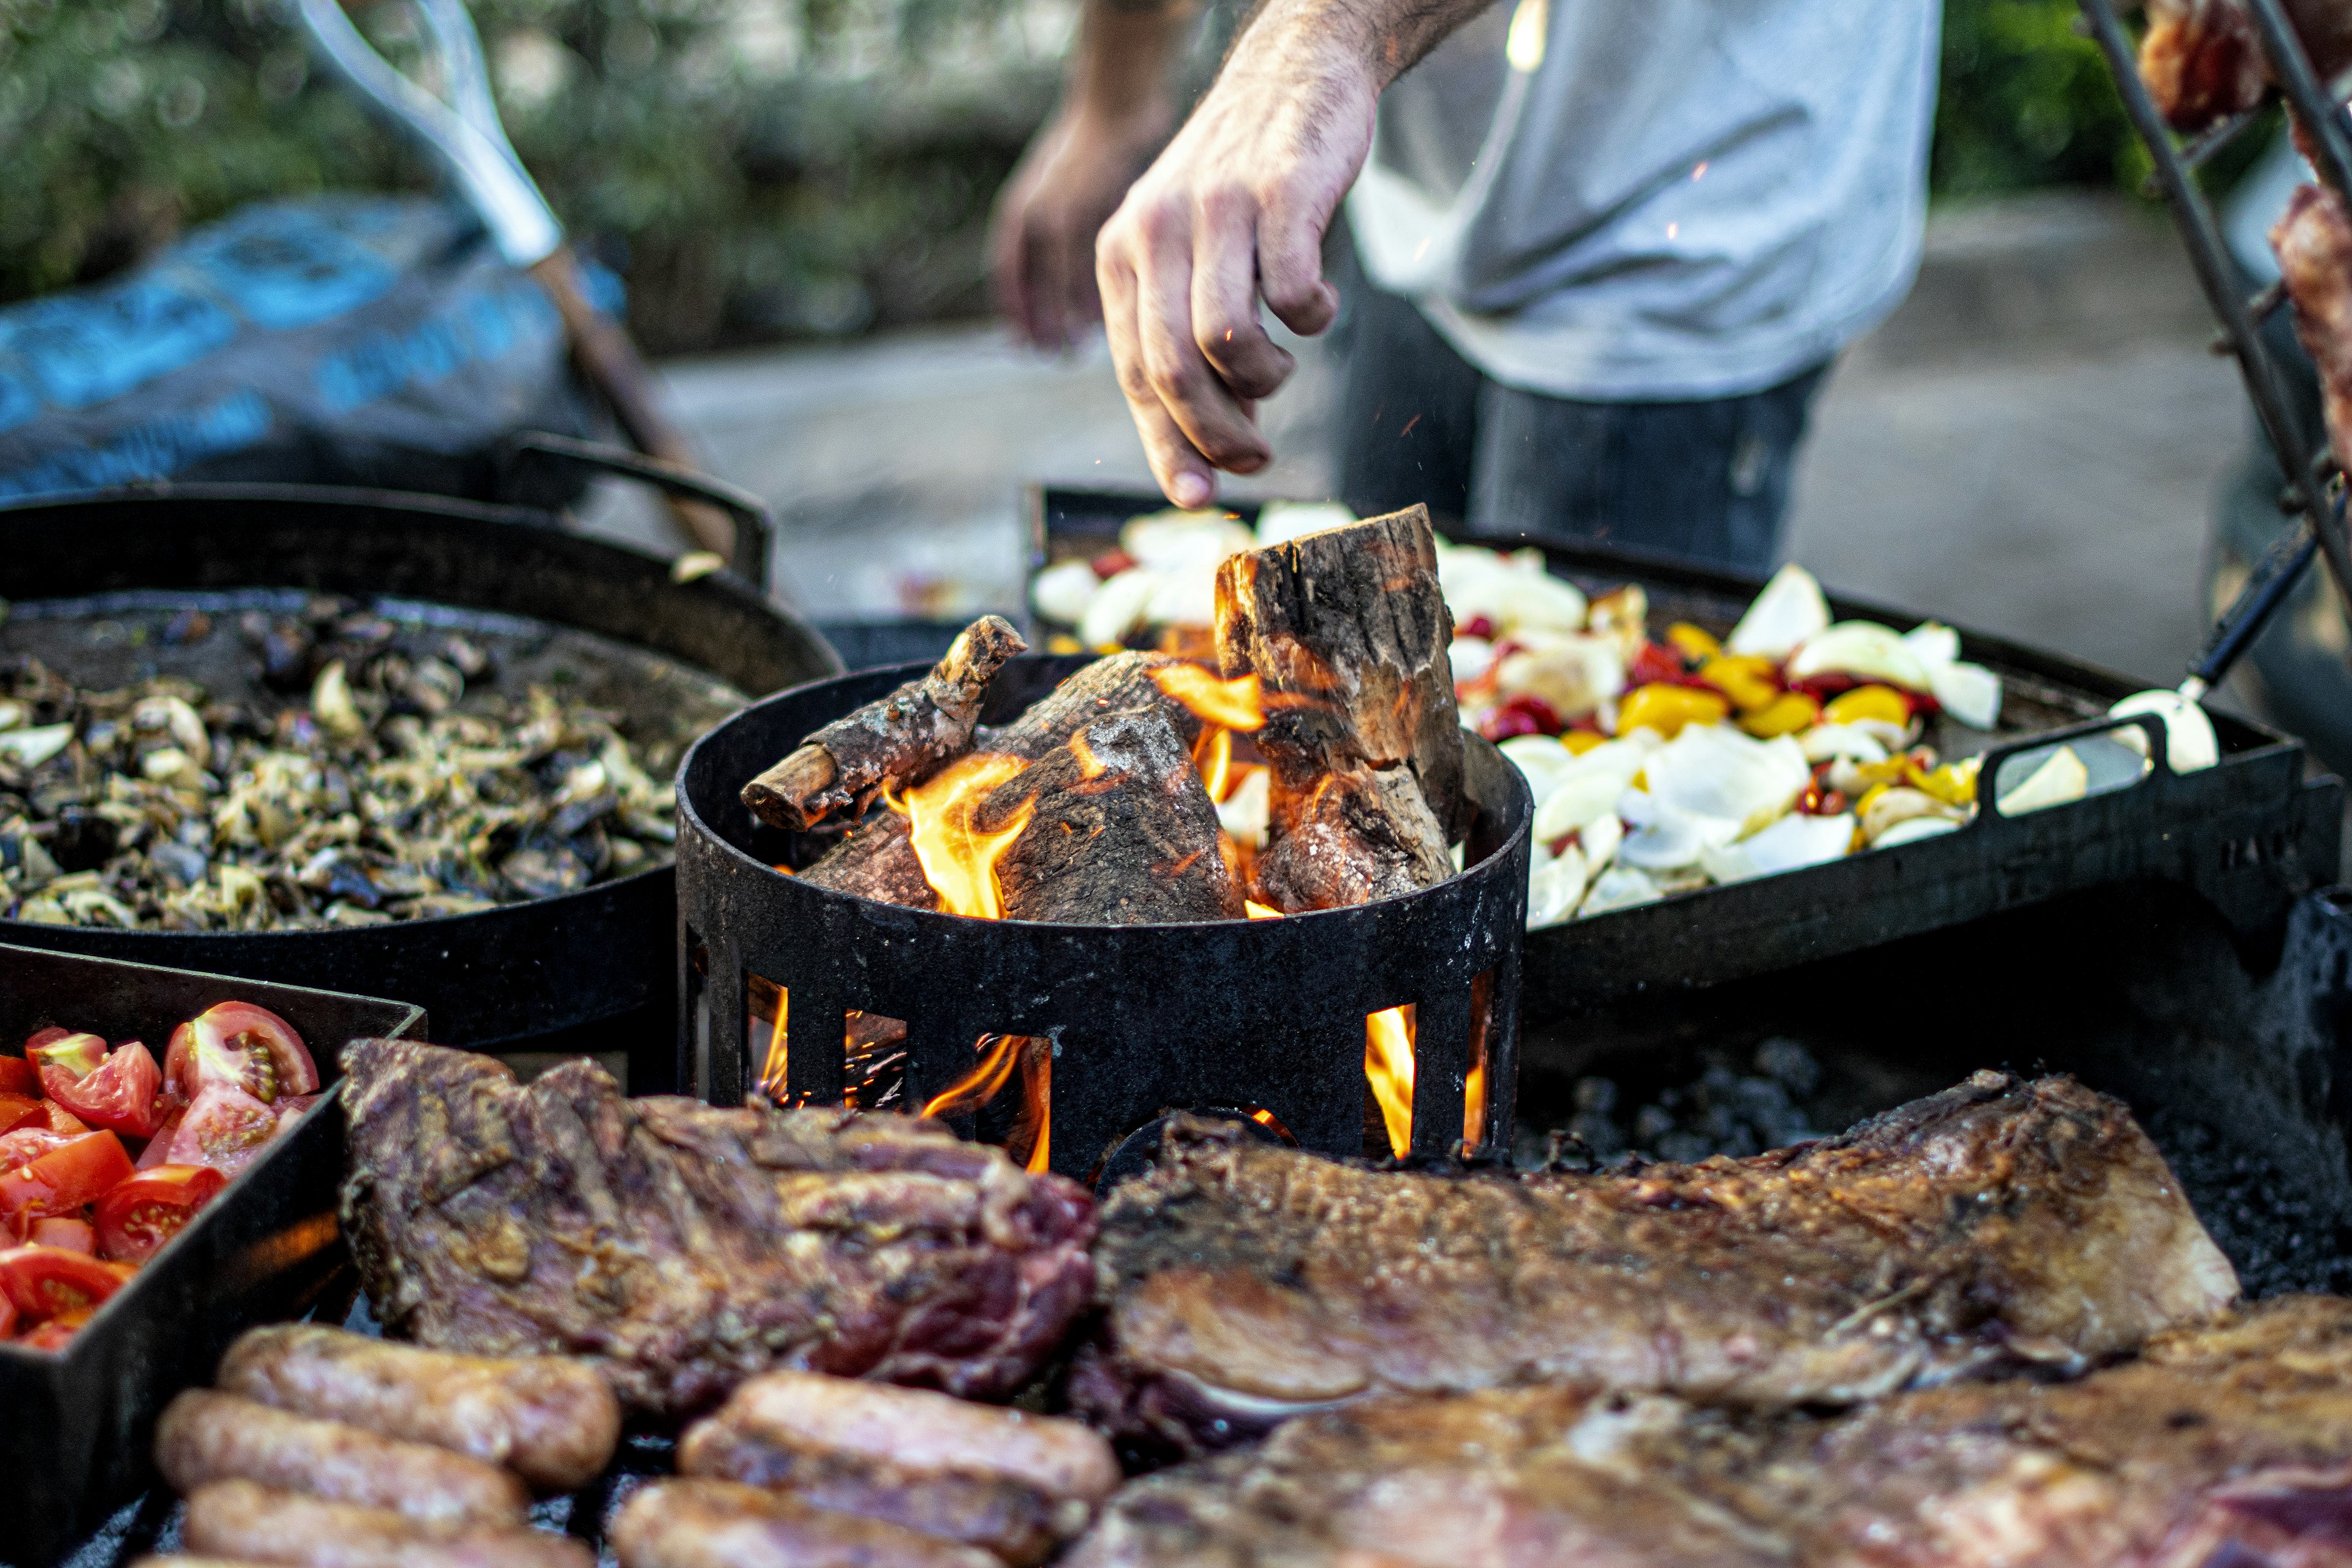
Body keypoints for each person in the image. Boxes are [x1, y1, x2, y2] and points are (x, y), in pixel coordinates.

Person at [989, 0, 1942, 571]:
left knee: (1574, 790)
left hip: (1680, 197)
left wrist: (1319, 35)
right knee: (1374, 695)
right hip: (1414, 171)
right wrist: (1111, 98)